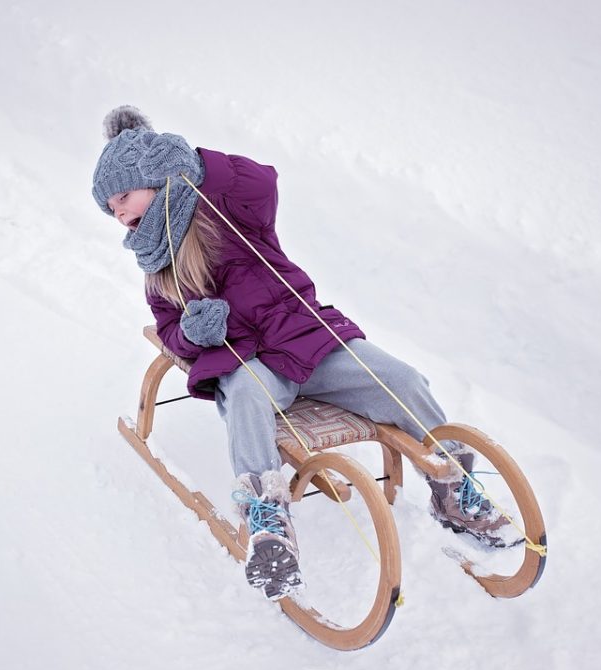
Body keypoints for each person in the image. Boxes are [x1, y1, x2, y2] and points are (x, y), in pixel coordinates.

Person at [91, 106, 520, 600]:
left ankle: (451, 484)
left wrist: (197, 164)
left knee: (401, 379)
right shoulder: (156, 264)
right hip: (247, 360)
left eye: (124, 196)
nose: (120, 214)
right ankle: (267, 519)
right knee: (247, 397)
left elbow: (263, 182)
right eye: (111, 209)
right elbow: (169, 330)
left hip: (304, 335)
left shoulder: (228, 207)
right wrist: (192, 334)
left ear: (155, 176)